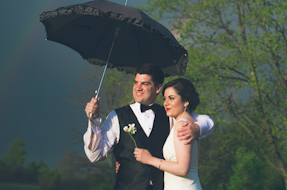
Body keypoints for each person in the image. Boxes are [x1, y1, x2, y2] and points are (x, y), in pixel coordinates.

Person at [84, 64, 214, 190]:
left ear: (157, 88)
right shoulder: (117, 116)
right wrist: (94, 120)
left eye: (145, 84)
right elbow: (95, 155)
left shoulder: (170, 113)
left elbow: (207, 121)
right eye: (136, 82)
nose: (138, 88)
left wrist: (197, 128)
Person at [134, 78, 202, 190]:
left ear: (186, 101)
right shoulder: (187, 123)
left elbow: (182, 169)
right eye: (165, 98)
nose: (166, 103)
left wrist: (150, 159)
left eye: (172, 98)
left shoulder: (182, 126)